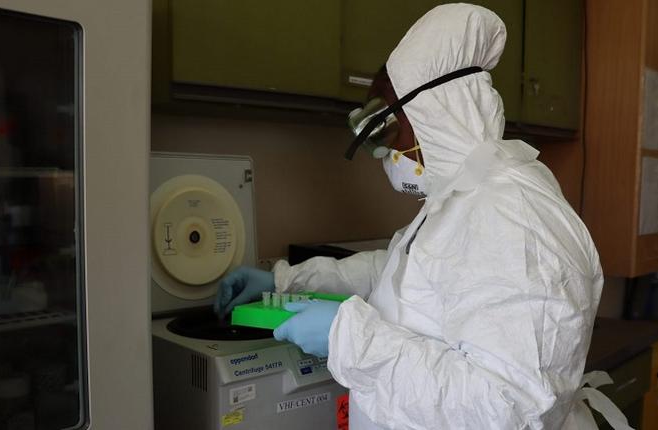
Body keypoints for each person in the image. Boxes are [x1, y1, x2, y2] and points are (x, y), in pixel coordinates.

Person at [216, 4, 625, 429]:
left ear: (434, 114)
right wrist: (290, 281)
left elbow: (508, 410)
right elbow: (400, 276)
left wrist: (351, 339)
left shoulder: (513, 218)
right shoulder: (465, 198)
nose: (385, 153)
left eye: (391, 131)